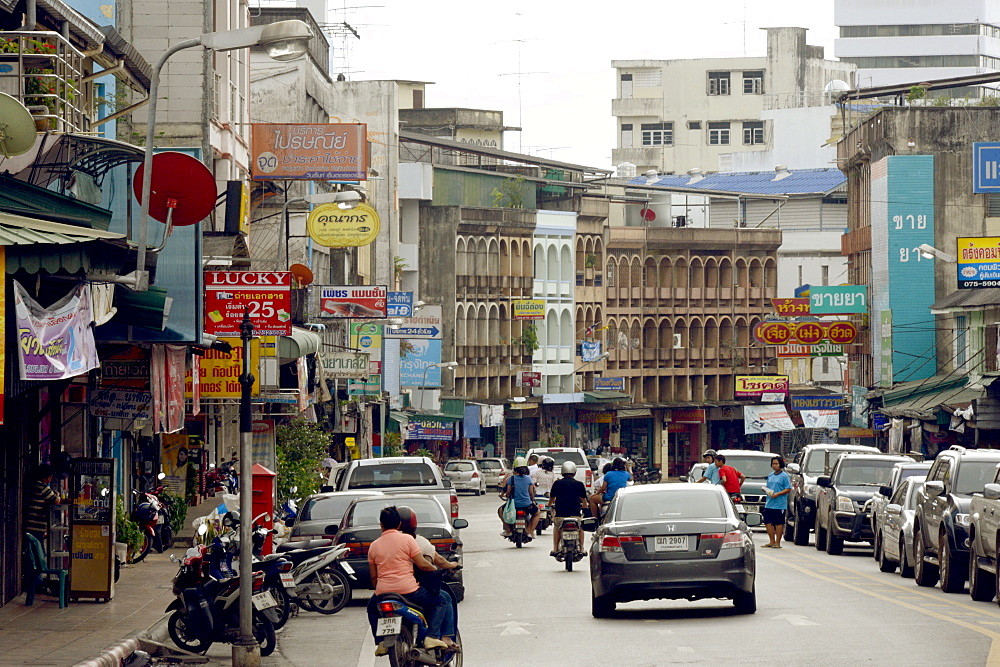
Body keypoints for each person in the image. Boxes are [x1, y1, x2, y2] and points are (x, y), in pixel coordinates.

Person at [367, 506, 453, 655]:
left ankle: (380, 642)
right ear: (399, 524)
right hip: (409, 591)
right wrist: (437, 571)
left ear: (381, 525)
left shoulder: (373, 546)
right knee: (441, 600)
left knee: (371, 609)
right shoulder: (407, 539)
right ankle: (432, 636)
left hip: (383, 593)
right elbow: (422, 564)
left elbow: (374, 577)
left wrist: (380, 590)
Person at [396, 507, 460, 650]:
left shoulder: (382, 542)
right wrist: (445, 567)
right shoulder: (416, 541)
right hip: (413, 589)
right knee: (444, 599)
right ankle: (443, 637)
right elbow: (434, 563)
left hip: (386, 590)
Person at [548, 461, 588, 556]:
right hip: (575, 515)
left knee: (557, 527)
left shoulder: (557, 483)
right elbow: (584, 502)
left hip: (560, 516)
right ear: (574, 472)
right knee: (580, 527)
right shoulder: (579, 484)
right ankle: (582, 548)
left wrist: (549, 504)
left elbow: (551, 499)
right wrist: (584, 506)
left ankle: (555, 548)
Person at [498, 457, 540, 538]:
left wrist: (507, 496)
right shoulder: (528, 479)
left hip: (514, 506)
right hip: (527, 505)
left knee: (500, 511)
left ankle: (508, 530)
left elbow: (508, 492)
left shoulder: (512, 479)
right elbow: (531, 493)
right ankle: (530, 531)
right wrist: (532, 501)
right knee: (537, 513)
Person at [24, 464, 59, 545]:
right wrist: (58, 495)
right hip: (36, 526)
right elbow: (55, 501)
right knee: (37, 550)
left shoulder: (31, 484)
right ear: (48, 477)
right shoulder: (43, 487)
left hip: (27, 524)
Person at [762, 456, 792, 548]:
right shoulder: (770, 475)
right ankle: (771, 541)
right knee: (768, 522)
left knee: (778, 523)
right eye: (773, 464)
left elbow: (788, 488)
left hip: (779, 504)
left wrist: (778, 494)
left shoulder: (784, 476)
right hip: (769, 503)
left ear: (780, 465)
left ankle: (777, 542)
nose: (774, 466)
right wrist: (766, 490)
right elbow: (768, 486)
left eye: (776, 464)